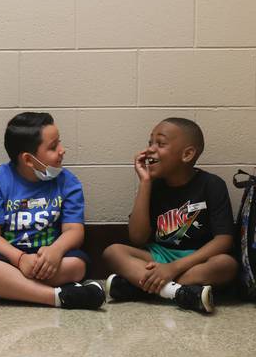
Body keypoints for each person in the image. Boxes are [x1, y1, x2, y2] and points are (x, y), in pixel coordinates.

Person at [0, 112, 105, 309]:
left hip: (51, 259)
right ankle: (60, 296)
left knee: (78, 265)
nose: (62, 150)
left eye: (59, 142)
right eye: (53, 147)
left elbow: (74, 231)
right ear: (28, 159)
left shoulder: (68, 182)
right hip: (9, 258)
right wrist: (20, 259)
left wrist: (56, 251)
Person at [102, 117, 238, 314]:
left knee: (226, 265)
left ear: (187, 154)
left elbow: (223, 240)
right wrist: (145, 183)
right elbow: (137, 238)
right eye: (150, 143)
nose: (150, 149)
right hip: (159, 256)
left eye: (160, 143)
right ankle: (179, 292)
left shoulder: (212, 184)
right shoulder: (153, 186)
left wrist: (174, 268)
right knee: (113, 252)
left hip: (196, 259)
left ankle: (141, 287)